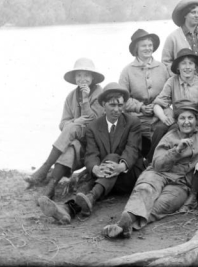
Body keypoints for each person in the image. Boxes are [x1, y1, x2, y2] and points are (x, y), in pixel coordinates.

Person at [37, 83, 145, 224]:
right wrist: (95, 168)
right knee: (91, 179)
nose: (117, 109)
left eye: (120, 105)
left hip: (127, 176)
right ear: (103, 105)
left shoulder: (133, 122)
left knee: (111, 159)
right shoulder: (93, 127)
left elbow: (132, 149)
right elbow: (91, 154)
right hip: (104, 178)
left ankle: (89, 199)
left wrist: (120, 166)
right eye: (112, 105)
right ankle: (66, 210)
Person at [101, 101, 198, 239]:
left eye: (190, 118)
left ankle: (126, 224)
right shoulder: (169, 136)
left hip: (180, 183)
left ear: (196, 119)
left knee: (163, 205)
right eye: (182, 118)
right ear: (176, 121)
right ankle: (125, 222)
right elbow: (158, 164)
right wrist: (177, 150)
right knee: (145, 189)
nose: (186, 122)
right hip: (158, 173)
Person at [24, 58, 105, 200]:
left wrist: (85, 100)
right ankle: (51, 186)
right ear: (74, 78)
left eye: (86, 75)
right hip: (77, 140)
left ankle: (45, 168)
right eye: (79, 75)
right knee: (70, 148)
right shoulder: (71, 96)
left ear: (92, 77)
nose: (83, 79)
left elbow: (95, 121)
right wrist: (75, 121)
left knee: (73, 128)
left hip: (94, 138)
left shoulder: (99, 93)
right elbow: (62, 124)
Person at [149, 48, 198, 161]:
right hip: (178, 117)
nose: (187, 67)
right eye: (183, 63)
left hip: (197, 118)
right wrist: (164, 118)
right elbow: (157, 104)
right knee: (159, 128)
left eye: (191, 63)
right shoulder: (172, 81)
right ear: (178, 67)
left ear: (195, 67)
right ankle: (152, 160)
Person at [118, 28, 170, 160]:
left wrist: (158, 106)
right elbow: (122, 99)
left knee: (169, 126)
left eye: (150, 45)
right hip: (137, 115)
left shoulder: (162, 68)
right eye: (144, 46)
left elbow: (169, 92)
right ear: (136, 48)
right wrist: (140, 107)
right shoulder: (127, 71)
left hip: (161, 112)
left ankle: (156, 160)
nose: (148, 48)